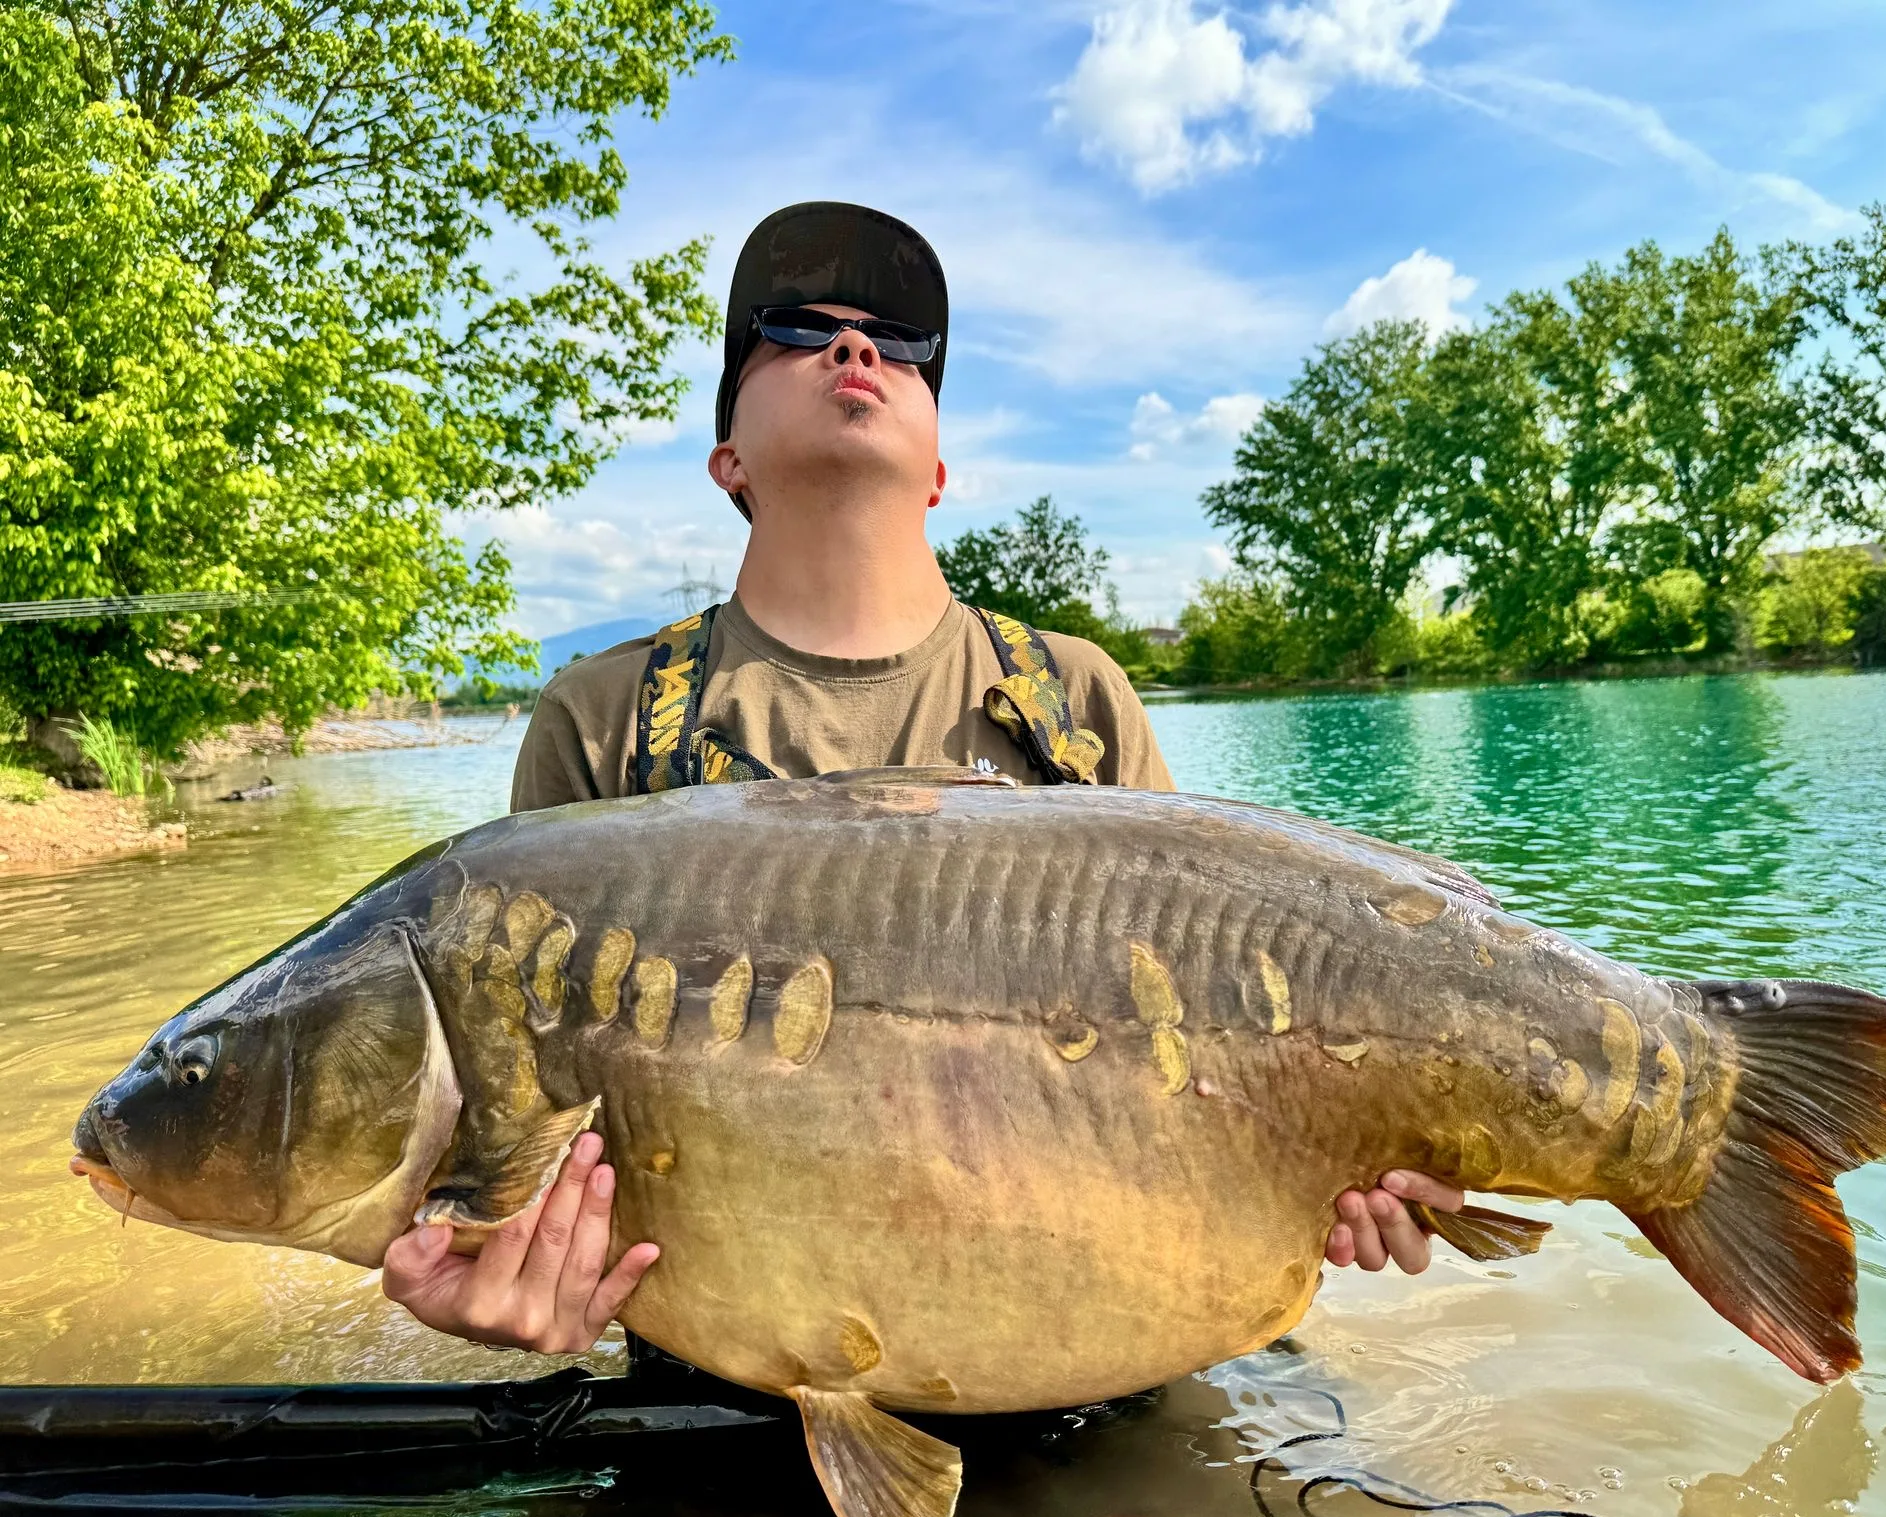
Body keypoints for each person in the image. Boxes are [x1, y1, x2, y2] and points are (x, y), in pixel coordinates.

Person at [381, 201, 1466, 1354]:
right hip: (728, 1371)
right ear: (726, 458)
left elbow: (1219, 1063)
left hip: (1088, 1347)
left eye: (898, 344)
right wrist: (490, 1284)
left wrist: (1348, 1155)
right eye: (796, 329)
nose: (856, 349)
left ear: (941, 467)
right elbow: (515, 1145)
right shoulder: (601, 722)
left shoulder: (1079, 705)